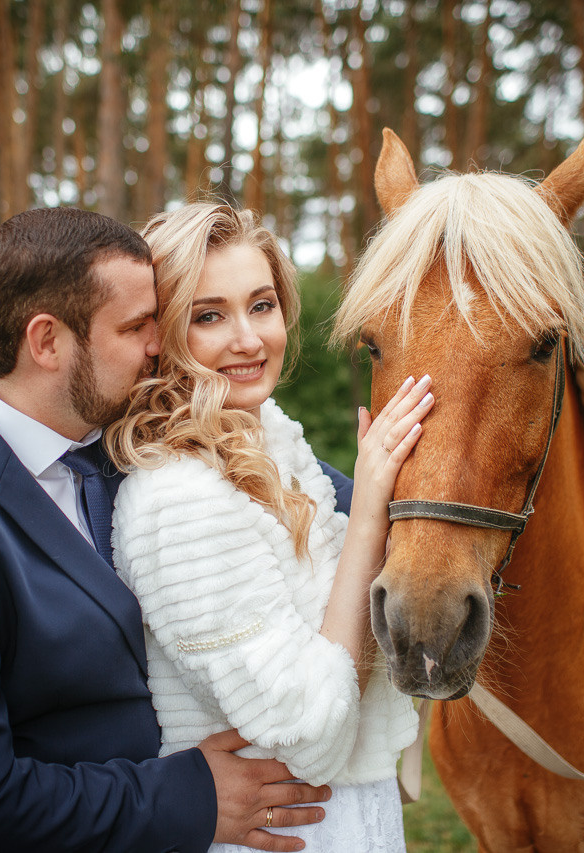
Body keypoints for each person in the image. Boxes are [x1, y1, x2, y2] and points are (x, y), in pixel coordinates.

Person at [0, 207, 335, 853]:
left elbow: (296, 483)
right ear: (47, 342)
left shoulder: (114, 438)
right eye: (137, 326)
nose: (161, 345)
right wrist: (189, 797)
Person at [107, 203, 432, 853]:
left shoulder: (277, 446)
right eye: (209, 316)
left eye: (262, 305)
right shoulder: (177, 499)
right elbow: (307, 730)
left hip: (348, 825)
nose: (250, 339)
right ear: (164, 333)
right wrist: (367, 509)